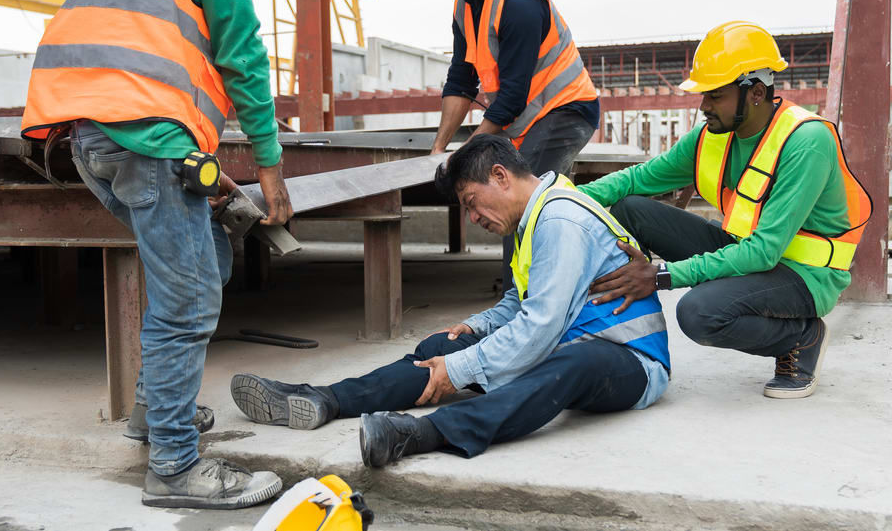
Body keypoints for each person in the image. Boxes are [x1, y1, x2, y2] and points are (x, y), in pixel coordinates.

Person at [20, 0, 292, 509]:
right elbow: (240, 45)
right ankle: (173, 463)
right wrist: (270, 167)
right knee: (190, 295)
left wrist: (201, 166)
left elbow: (136, 43)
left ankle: (153, 412)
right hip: (145, 136)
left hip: (92, 139)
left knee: (195, 262)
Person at [229, 134, 670, 467]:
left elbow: (541, 325)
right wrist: (473, 329)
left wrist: (462, 369)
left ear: (500, 176)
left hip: (627, 360)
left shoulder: (560, 218)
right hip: (567, 341)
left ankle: (423, 433)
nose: (474, 218)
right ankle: (325, 398)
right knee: (441, 348)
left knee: (568, 366)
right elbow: (520, 304)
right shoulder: (531, 222)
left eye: (473, 203)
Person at [578, 21, 871, 399]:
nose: (703, 106)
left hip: (803, 276)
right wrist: (564, 195)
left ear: (756, 93)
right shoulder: (713, 136)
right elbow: (637, 179)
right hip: (748, 254)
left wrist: (662, 275)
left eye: (714, 95)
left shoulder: (806, 143)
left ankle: (802, 336)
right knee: (629, 208)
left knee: (698, 313)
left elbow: (765, 251)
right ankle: (614, 320)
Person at [423, 0, 601, 292]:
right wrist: (439, 149)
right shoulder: (463, 5)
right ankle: (540, 289)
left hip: (567, 110)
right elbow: (461, 80)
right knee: (533, 200)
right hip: (529, 118)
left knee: (515, 196)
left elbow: (511, 97)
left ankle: (520, 301)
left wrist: (464, 155)